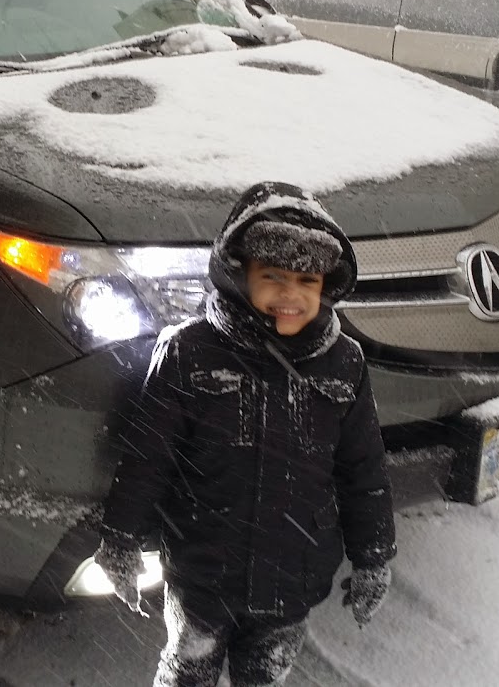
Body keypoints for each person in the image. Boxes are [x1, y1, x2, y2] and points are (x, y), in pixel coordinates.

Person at [94, 181, 396, 687]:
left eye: (307, 279)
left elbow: (363, 469)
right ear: (239, 273)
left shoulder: (344, 363)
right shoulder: (191, 353)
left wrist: (374, 556)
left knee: (265, 677)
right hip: (203, 574)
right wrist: (121, 539)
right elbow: (149, 458)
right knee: (189, 668)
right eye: (272, 276)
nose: (290, 294)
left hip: (292, 579)